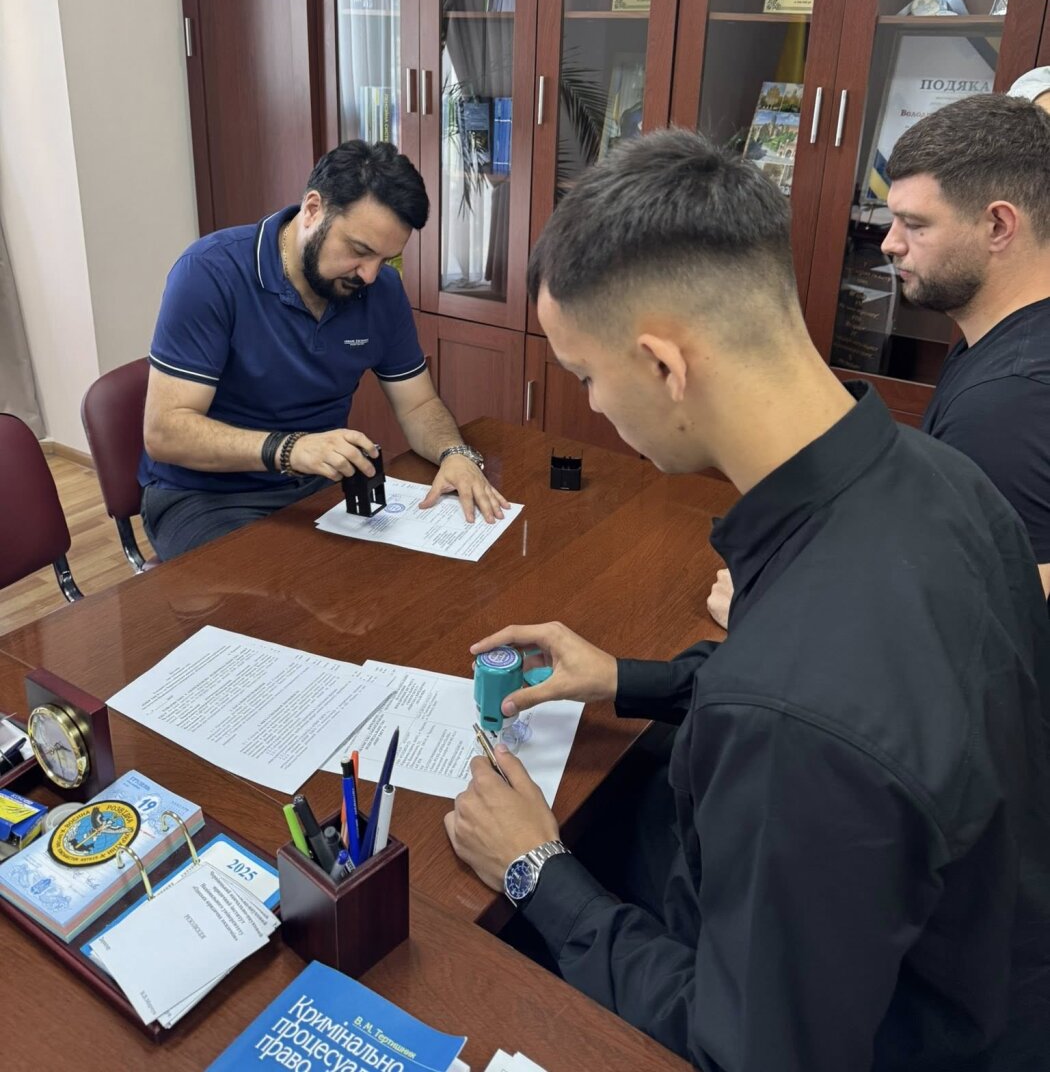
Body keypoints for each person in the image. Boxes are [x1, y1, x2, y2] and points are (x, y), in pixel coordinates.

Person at [444, 130, 1050, 1071]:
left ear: (664, 366)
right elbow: (871, 694)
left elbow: (750, 1051)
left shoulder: (790, 721)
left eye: (587, 376)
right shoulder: (940, 478)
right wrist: (626, 678)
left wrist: (535, 871)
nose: (593, 405)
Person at [709, 88, 1050, 627]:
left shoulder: (1008, 402)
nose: (890, 244)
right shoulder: (998, 340)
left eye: (915, 224)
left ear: (998, 226)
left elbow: (993, 625)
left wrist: (774, 616)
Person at [140, 141, 507, 559]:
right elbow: (165, 432)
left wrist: (454, 453)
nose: (369, 275)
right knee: (284, 589)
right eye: (360, 251)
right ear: (313, 209)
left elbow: (419, 404)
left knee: (396, 579)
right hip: (206, 496)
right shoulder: (209, 272)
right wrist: (291, 449)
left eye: (387, 259)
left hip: (315, 488)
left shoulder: (381, 291)